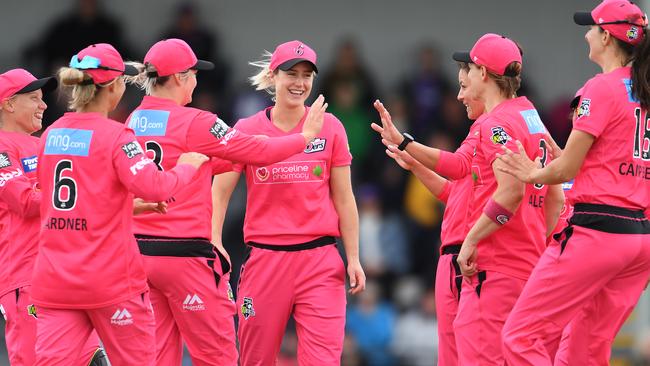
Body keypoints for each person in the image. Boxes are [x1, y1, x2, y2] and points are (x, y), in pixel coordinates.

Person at [124, 38, 326, 366]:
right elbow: (257, 154)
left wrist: (237, 152)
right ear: (179, 77)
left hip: (138, 253)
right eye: (193, 74)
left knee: (158, 356)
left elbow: (198, 161)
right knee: (217, 356)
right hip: (185, 256)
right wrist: (304, 137)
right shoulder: (196, 121)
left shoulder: (133, 120)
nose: (196, 80)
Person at [30, 43, 209, 366]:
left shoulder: (50, 136)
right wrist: (187, 166)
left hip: (55, 281)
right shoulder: (117, 136)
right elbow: (156, 187)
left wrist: (129, 207)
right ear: (113, 86)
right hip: (110, 282)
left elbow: (65, 203)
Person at [499, 1, 650, 364]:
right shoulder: (643, 88)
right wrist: (566, 155)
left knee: (520, 336)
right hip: (640, 240)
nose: (586, 34)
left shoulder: (601, 88)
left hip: (596, 234)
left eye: (591, 28)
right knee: (587, 348)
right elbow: (607, 160)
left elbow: (564, 171)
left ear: (607, 37)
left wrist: (530, 173)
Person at [212, 40, 366, 365]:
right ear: (273, 76)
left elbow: (344, 197)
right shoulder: (248, 129)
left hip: (320, 260)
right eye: (291, 74)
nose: (299, 83)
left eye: (306, 75)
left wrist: (353, 257)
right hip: (266, 259)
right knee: (256, 358)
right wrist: (214, 241)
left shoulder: (331, 126)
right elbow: (220, 191)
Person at [372, 61, 486, 366]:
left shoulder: (495, 127)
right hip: (452, 257)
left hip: (472, 258)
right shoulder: (482, 128)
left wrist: (404, 142)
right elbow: (455, 193)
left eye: (464, 86)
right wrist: (415, 164)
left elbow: (457, 167)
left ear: (485, 79)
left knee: (473, 354)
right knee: (452, 355)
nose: (460, 96)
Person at [0, 68, 109, 365]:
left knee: (92, 359)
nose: (44, 105)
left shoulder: (47, 143)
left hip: (66, 275)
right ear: (8, 104)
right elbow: (24, 200)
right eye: (34, 98)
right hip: (26, 276)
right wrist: (84, 199)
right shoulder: (2, 147)